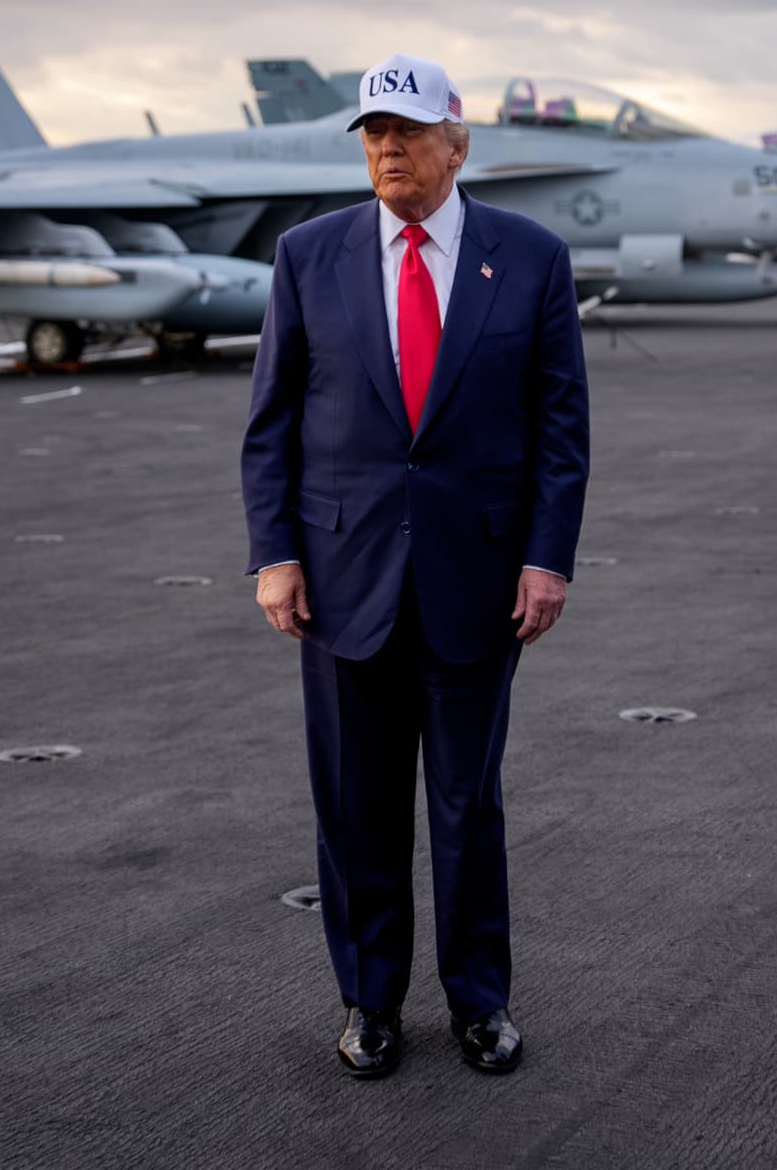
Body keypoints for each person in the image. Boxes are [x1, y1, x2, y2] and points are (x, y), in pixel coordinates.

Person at [242, 52, 590, 1080]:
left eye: (407, 132)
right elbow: (270, 427)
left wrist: (547, 556)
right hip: (341, 578)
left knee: (466, 805)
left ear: (458, 143)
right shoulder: (309, 255)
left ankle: (481, 1000)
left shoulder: (529, 256)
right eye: (373, 134)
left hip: (478, 580)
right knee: (356, 805)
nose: (387, 149)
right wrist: (275, 555)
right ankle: (369, 999)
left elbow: (560, 426)